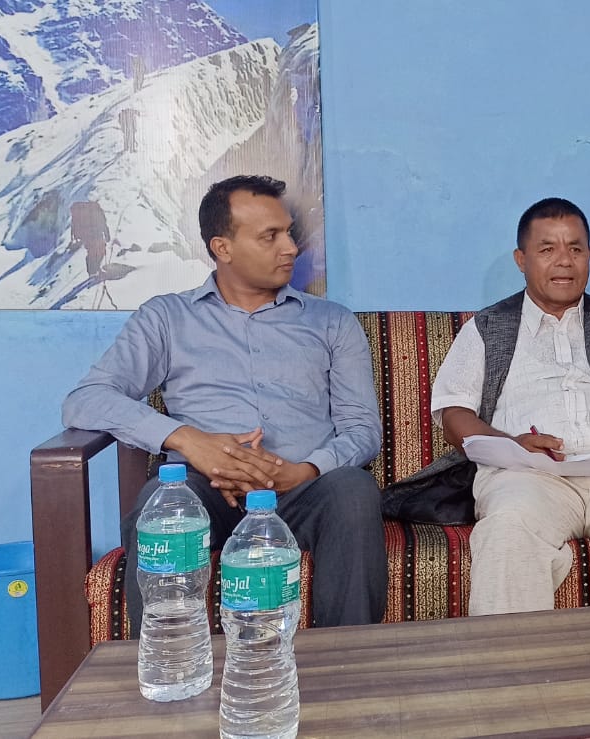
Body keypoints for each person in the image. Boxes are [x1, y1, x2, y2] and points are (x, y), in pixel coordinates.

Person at [63, 175, 387, 633]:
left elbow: (362, 429)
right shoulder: (167, 317)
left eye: (289, 232)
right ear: (223, 247)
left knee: (353, 490)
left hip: (303, 491)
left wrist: (305, 470)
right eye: (270, 236)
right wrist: (190, 441)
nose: (291, 248)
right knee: (163, 504)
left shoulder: (331, 322)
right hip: (204, 492)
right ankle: (168, 662)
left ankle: (347, 662)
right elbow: (85, 399)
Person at [406, 197, 590, 616]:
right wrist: (510, 443)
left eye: (575, 248)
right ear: (521, 259)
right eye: (547, 249)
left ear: (589, 256)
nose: (564, 260)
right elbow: (454, 416)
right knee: (508, 527)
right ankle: (514, 660)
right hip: (529, 475)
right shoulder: (486, 328)